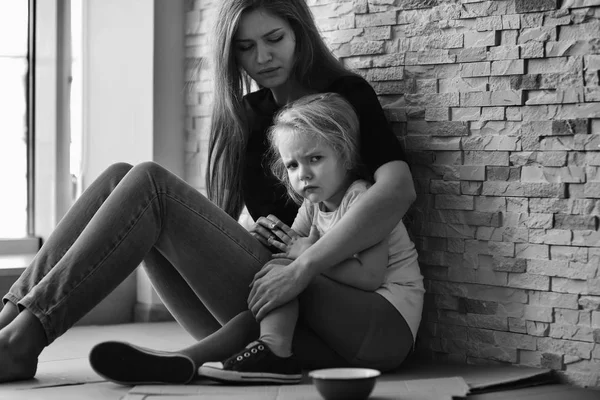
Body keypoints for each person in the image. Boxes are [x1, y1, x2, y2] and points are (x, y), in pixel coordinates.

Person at [0, 0, 421, 385]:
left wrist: (303, 262)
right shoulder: (248, 118)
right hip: (263, 308)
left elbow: (398, 191)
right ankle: (9, 324)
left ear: (300, 33)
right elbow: (223, 231)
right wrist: (264, 243)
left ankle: (22, 341)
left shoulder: (343, 101)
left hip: (331, 309)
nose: (262, 57)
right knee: (119, 178)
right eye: (245, 47)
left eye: (274, 39)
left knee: (149, 183)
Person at [195, 92, 422, 384]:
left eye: (315, 159)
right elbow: (290, 248)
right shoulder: (314, 205)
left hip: (387, 328)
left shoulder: (361, 198)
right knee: (260, 305)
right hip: (351, 340)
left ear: (345, 154)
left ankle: (274, 354)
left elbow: (369, 277)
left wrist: (303, 254)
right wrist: (261, 239)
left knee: (282, 274)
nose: (304, 174)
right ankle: (187, 361)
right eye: (292, 166)